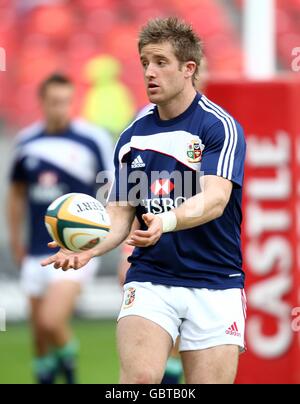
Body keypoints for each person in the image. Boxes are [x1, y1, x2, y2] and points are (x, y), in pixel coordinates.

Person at [42, 17, 247, 384]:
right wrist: (89, 247)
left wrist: (164, 222)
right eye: (144, 63)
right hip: (152, 279)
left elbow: (215, 199)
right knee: (138, 382)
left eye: (160, 62)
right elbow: (119, 214)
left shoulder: (219, 127)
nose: (149, 72)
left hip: (216, 282)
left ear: (189, 69)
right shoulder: (133, 136)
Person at [7, 73, 114, 384]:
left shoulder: (92, 139)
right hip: (36, 250)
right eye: (54, 102)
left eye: (66, 102)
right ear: (41, 102)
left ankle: (70, 366)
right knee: (39, 341)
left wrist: (97, 237)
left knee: (51, 320)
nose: (60, 108)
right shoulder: (27, 141)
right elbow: (15, 194)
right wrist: (17, 242)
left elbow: (111, 190)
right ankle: (54, 371)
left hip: (76, 249)